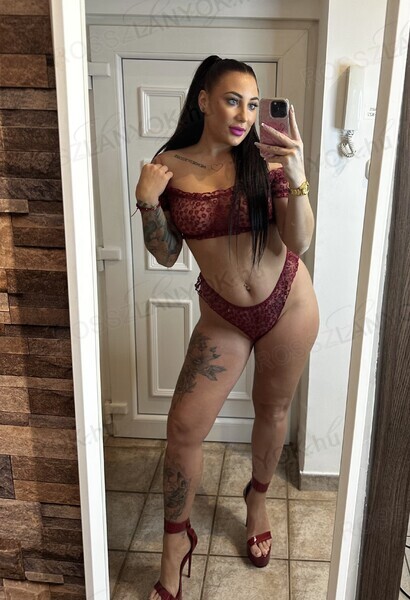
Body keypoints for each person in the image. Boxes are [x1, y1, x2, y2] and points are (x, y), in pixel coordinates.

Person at [135, 55, 319, 600]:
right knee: (183, 429)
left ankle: (257, 499)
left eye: (254, 104)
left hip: (288, 305)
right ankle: (175, 542)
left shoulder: (266, 159)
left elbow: (300, 241)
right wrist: (147, 202)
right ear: (203, 101)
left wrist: (296, 173)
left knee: (273, 411)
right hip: (223, 318)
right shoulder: (168, 165)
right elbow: (166, 253)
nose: (245, 115)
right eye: (233, 100)